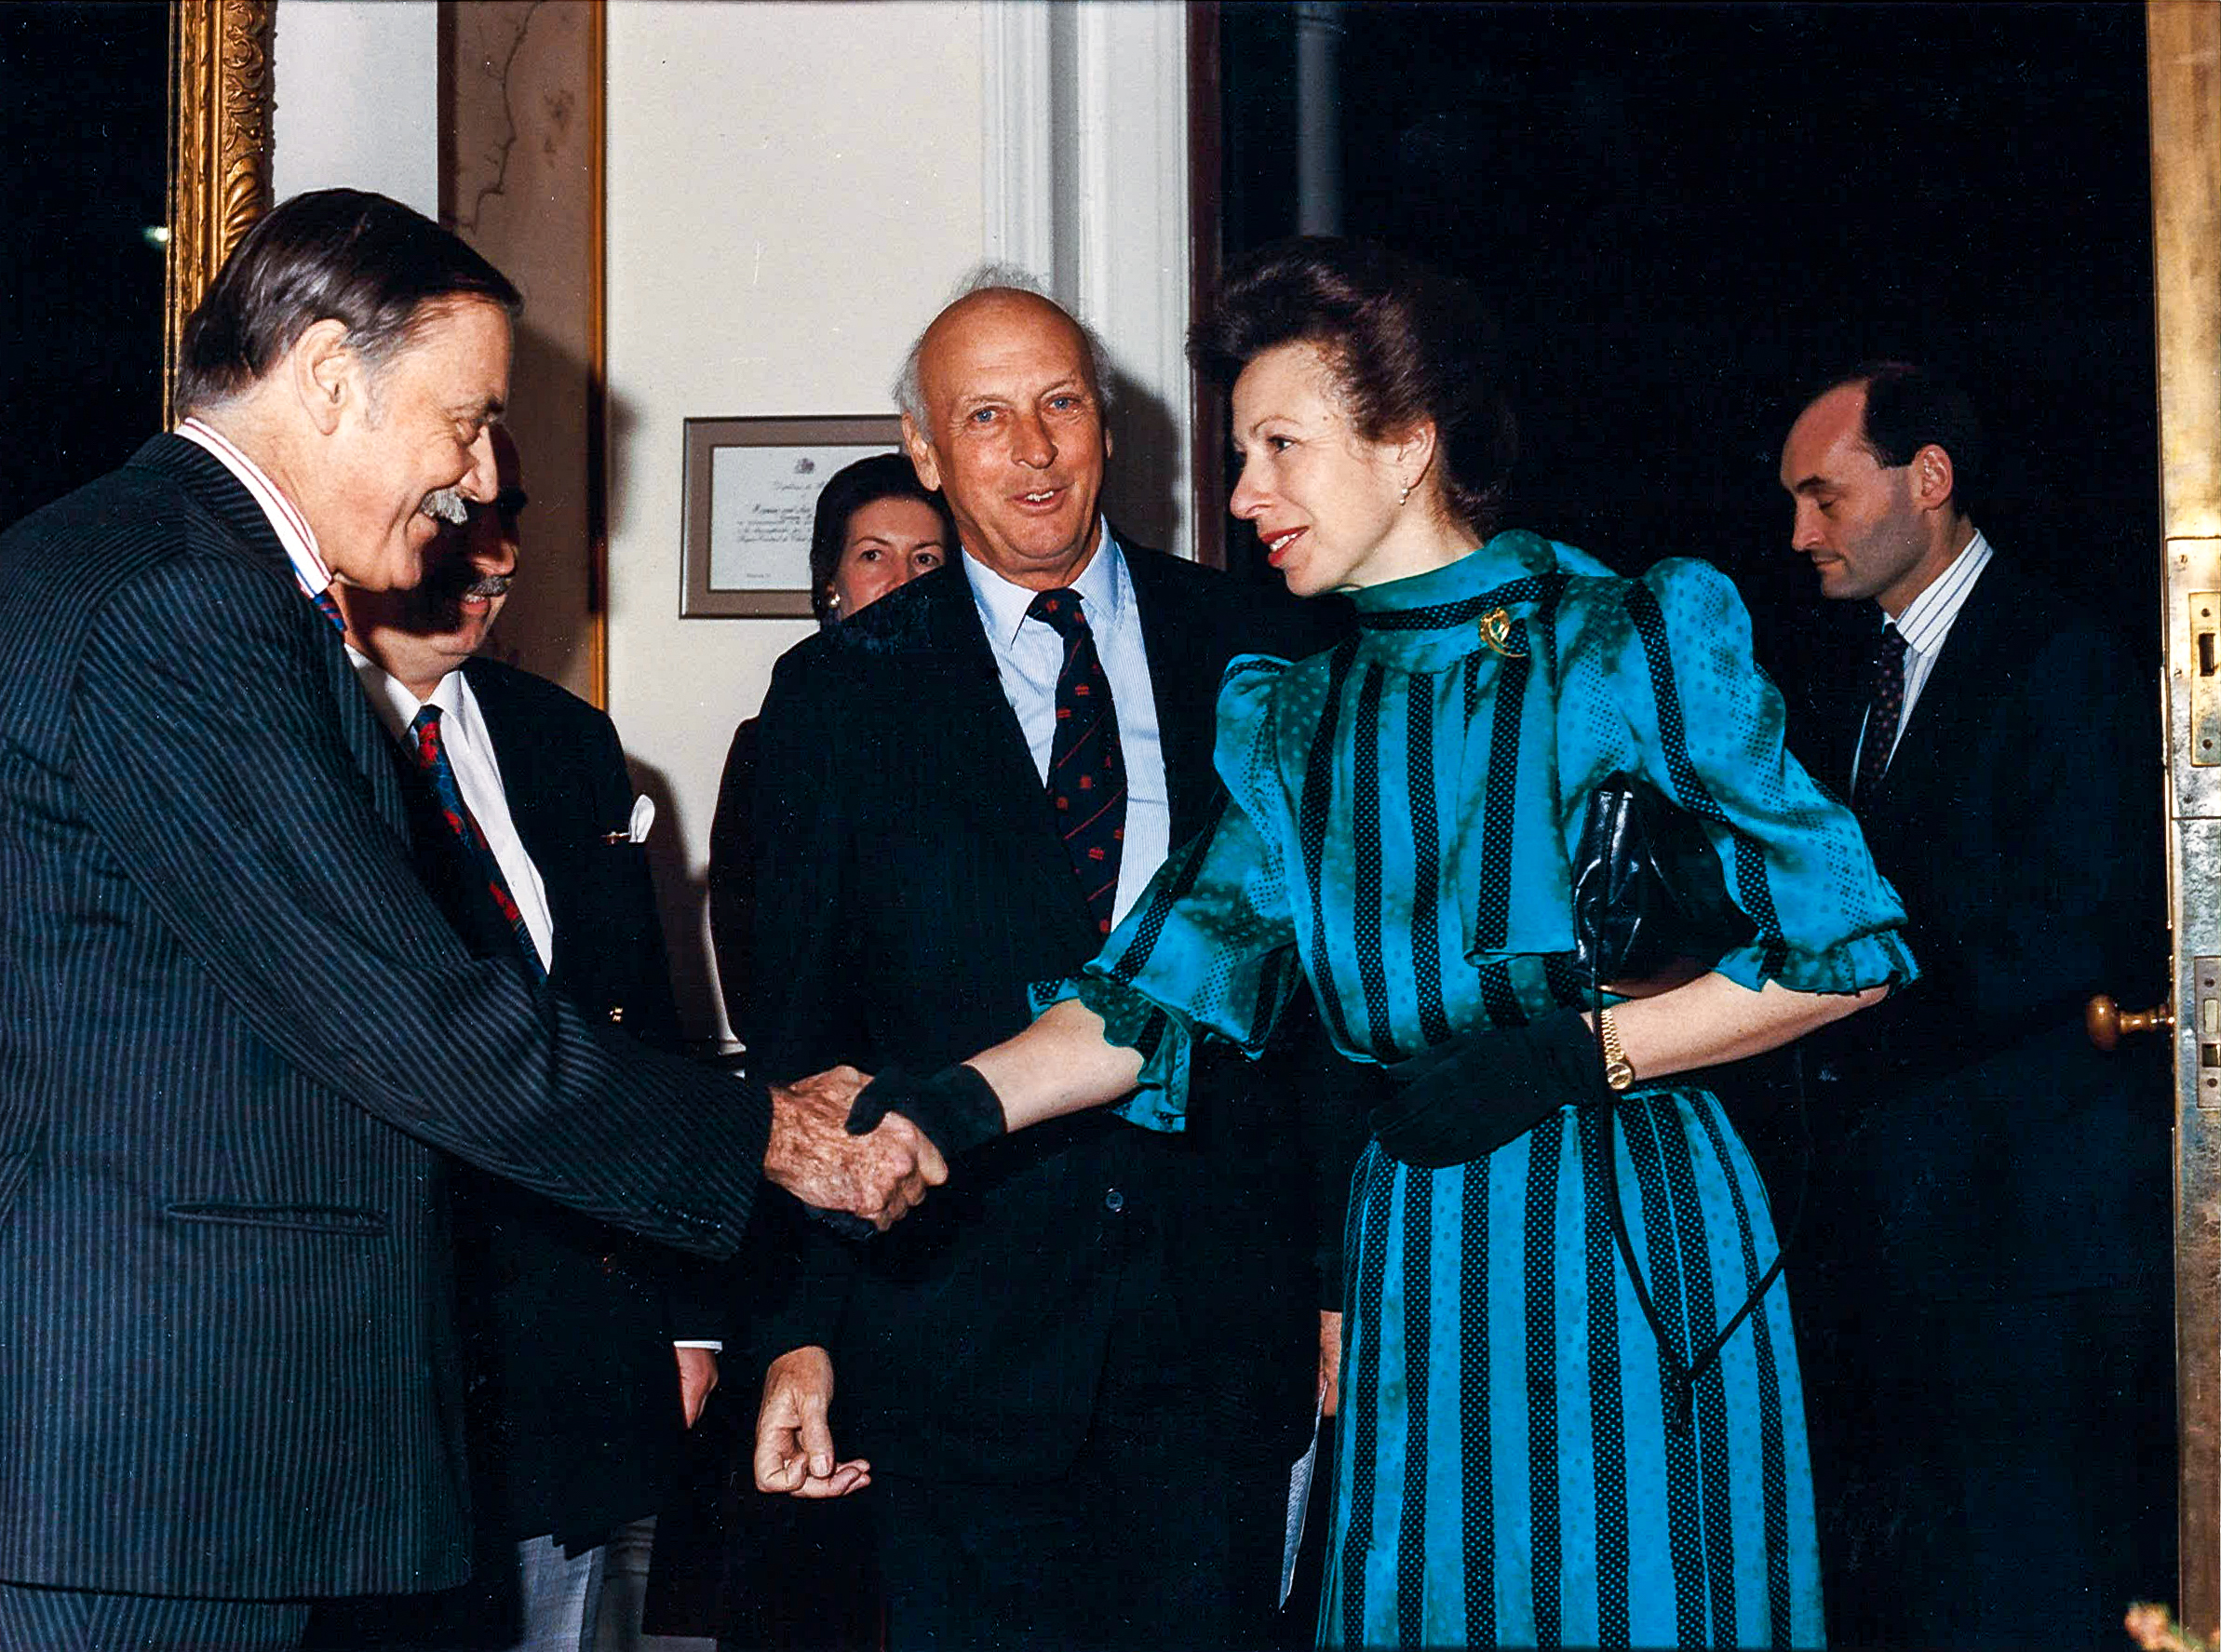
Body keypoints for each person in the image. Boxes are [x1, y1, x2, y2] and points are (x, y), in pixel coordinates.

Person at [845, 237, 1918, 1650]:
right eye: (1240, 453)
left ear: (1408, 445)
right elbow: (1146, 999)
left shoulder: (1625, 640)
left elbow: (1846, 944)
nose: (1242, 496)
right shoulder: (1296, 718)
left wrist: (1577, 1052)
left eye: (1279, 446)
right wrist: (942, 1107)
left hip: (1626, 1230)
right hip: (1420, 1231)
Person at [0, 188, 934, 1652]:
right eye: (467, 417)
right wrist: (765, 1130)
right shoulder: (191, 598)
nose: (477, 470)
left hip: (145, 1446)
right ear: (324, 374)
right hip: (148, 1454)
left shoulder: (125, 558)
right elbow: (409, 1015)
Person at [741, 267, 1364, 1650]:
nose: (1032, 450)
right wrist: (795, 1325)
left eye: (1061, 403)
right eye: (986, 417)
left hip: (1219, 1320)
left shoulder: (1266, 647)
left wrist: (1336, 1276)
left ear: (1107, 422)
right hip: (951, 1331)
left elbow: (1329, 999)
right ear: (923, 451)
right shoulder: (836, 696)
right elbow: (802, 1030)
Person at [1775, 362, 2173, 1647]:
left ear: (1926, 480)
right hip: (1899, 1222)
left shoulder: (2065, 655)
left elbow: (2076, 924)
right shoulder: (1852, 678)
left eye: (1822, 495)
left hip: (2027, 1235)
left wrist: (1834, 995)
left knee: (2029, 1582)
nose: (1799, 533)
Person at [300, 429, 718, 1652]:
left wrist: (691, 1314)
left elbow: (653, 1038)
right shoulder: (294, 734)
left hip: (574, 1352)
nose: (483, 556)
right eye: (447, 513)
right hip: (377, 1356)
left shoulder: (565, 741)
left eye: (506, 518)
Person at [708, 453, 956, 1026]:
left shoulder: (999, 729)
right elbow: (751, 958)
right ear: (831, 584)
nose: (902, 581)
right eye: (873, 555)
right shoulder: (770, 742)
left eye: (926, 559)